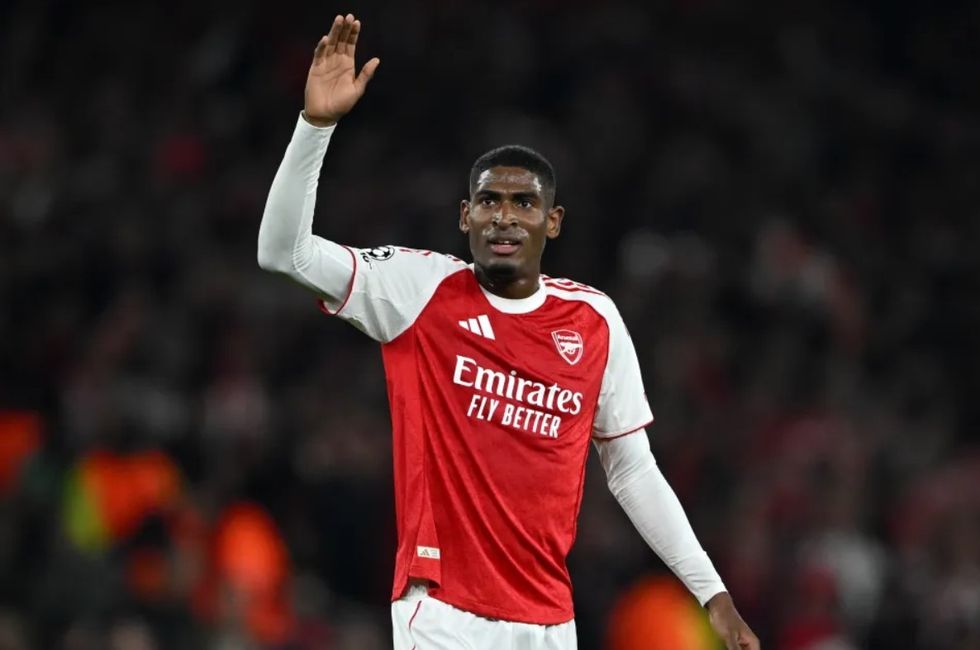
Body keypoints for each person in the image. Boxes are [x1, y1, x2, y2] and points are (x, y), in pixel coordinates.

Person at [257, 13, 760, 650]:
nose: (504, 216)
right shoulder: (420, 290)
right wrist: (315, 125)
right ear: (465, 216)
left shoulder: (594, 321)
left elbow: (632, 470)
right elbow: (284, 253)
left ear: (553, 222)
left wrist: (712, 594)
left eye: (524, 203)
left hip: (549, 623)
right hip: (442, 613)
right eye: (489, 201)